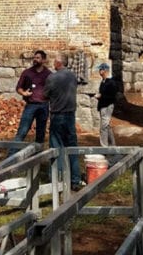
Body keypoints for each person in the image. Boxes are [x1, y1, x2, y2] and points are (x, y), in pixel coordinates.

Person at [43, 53, 82, 189]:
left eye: (55, 61)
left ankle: (57, 180)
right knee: (72, 147)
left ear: (59, 63)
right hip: (70, 115)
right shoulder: (72, 76)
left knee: (56, 146)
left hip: (57, 115)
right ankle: (75, 180)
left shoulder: (52, 78)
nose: (53, 64)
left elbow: (45, 95)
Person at [8, 49, 50, 156]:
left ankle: (37, 159)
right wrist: (24, 93)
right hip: (30, 106)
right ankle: (11, 157)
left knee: (40, 134)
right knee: (22, 131)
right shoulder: (27, 73)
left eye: (38, 58)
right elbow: (18, 88)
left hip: (44, 106)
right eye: (34, 58)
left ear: (44, 60)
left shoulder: (48, 74)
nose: (35, 60)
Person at [94, 62, 118, 147]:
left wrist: (101, 96)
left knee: (103, 127)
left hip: (107, 106)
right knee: (107, 126)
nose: (99, 71)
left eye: (100, 69)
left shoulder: (111, 82)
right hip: (103, 106)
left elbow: (113, 96)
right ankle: (112, 145)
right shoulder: (103, 82)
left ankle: (104, 147)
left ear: (105, 71)